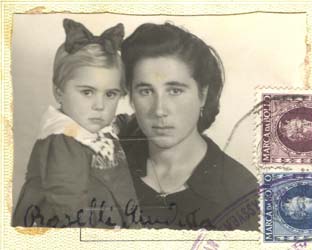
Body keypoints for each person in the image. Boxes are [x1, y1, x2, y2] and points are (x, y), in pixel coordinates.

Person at [118, 22, 259, 230]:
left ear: (202, 95)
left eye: (175, 91)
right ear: (131, 96)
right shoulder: (108, 166)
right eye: (146, 91)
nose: (159, 110)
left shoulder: (242, 194)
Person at [12, 19, 138, 228]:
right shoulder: (63, 141)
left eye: (110, 94)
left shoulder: (96, 129)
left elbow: (119, 125)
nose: (99, 105)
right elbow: (69, 209)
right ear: (59, 92)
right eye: (87, 92)